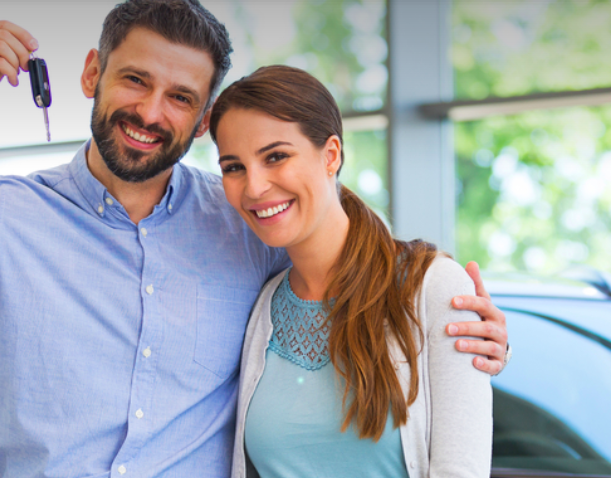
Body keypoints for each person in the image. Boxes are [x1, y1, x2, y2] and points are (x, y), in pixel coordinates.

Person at [0, 1, 507, 476]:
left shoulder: (243, 223)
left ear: (202, 116)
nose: (151, 112)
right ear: (93, 74)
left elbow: (349, 264)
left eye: (179, 97)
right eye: (134, 80)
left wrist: (460, 321)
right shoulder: (5, 217)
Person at [209, 65, 493, 478]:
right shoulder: (263, 306)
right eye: (234, 166)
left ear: (331, 155)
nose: (254, 187)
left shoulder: (432, 287)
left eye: (276, 156)